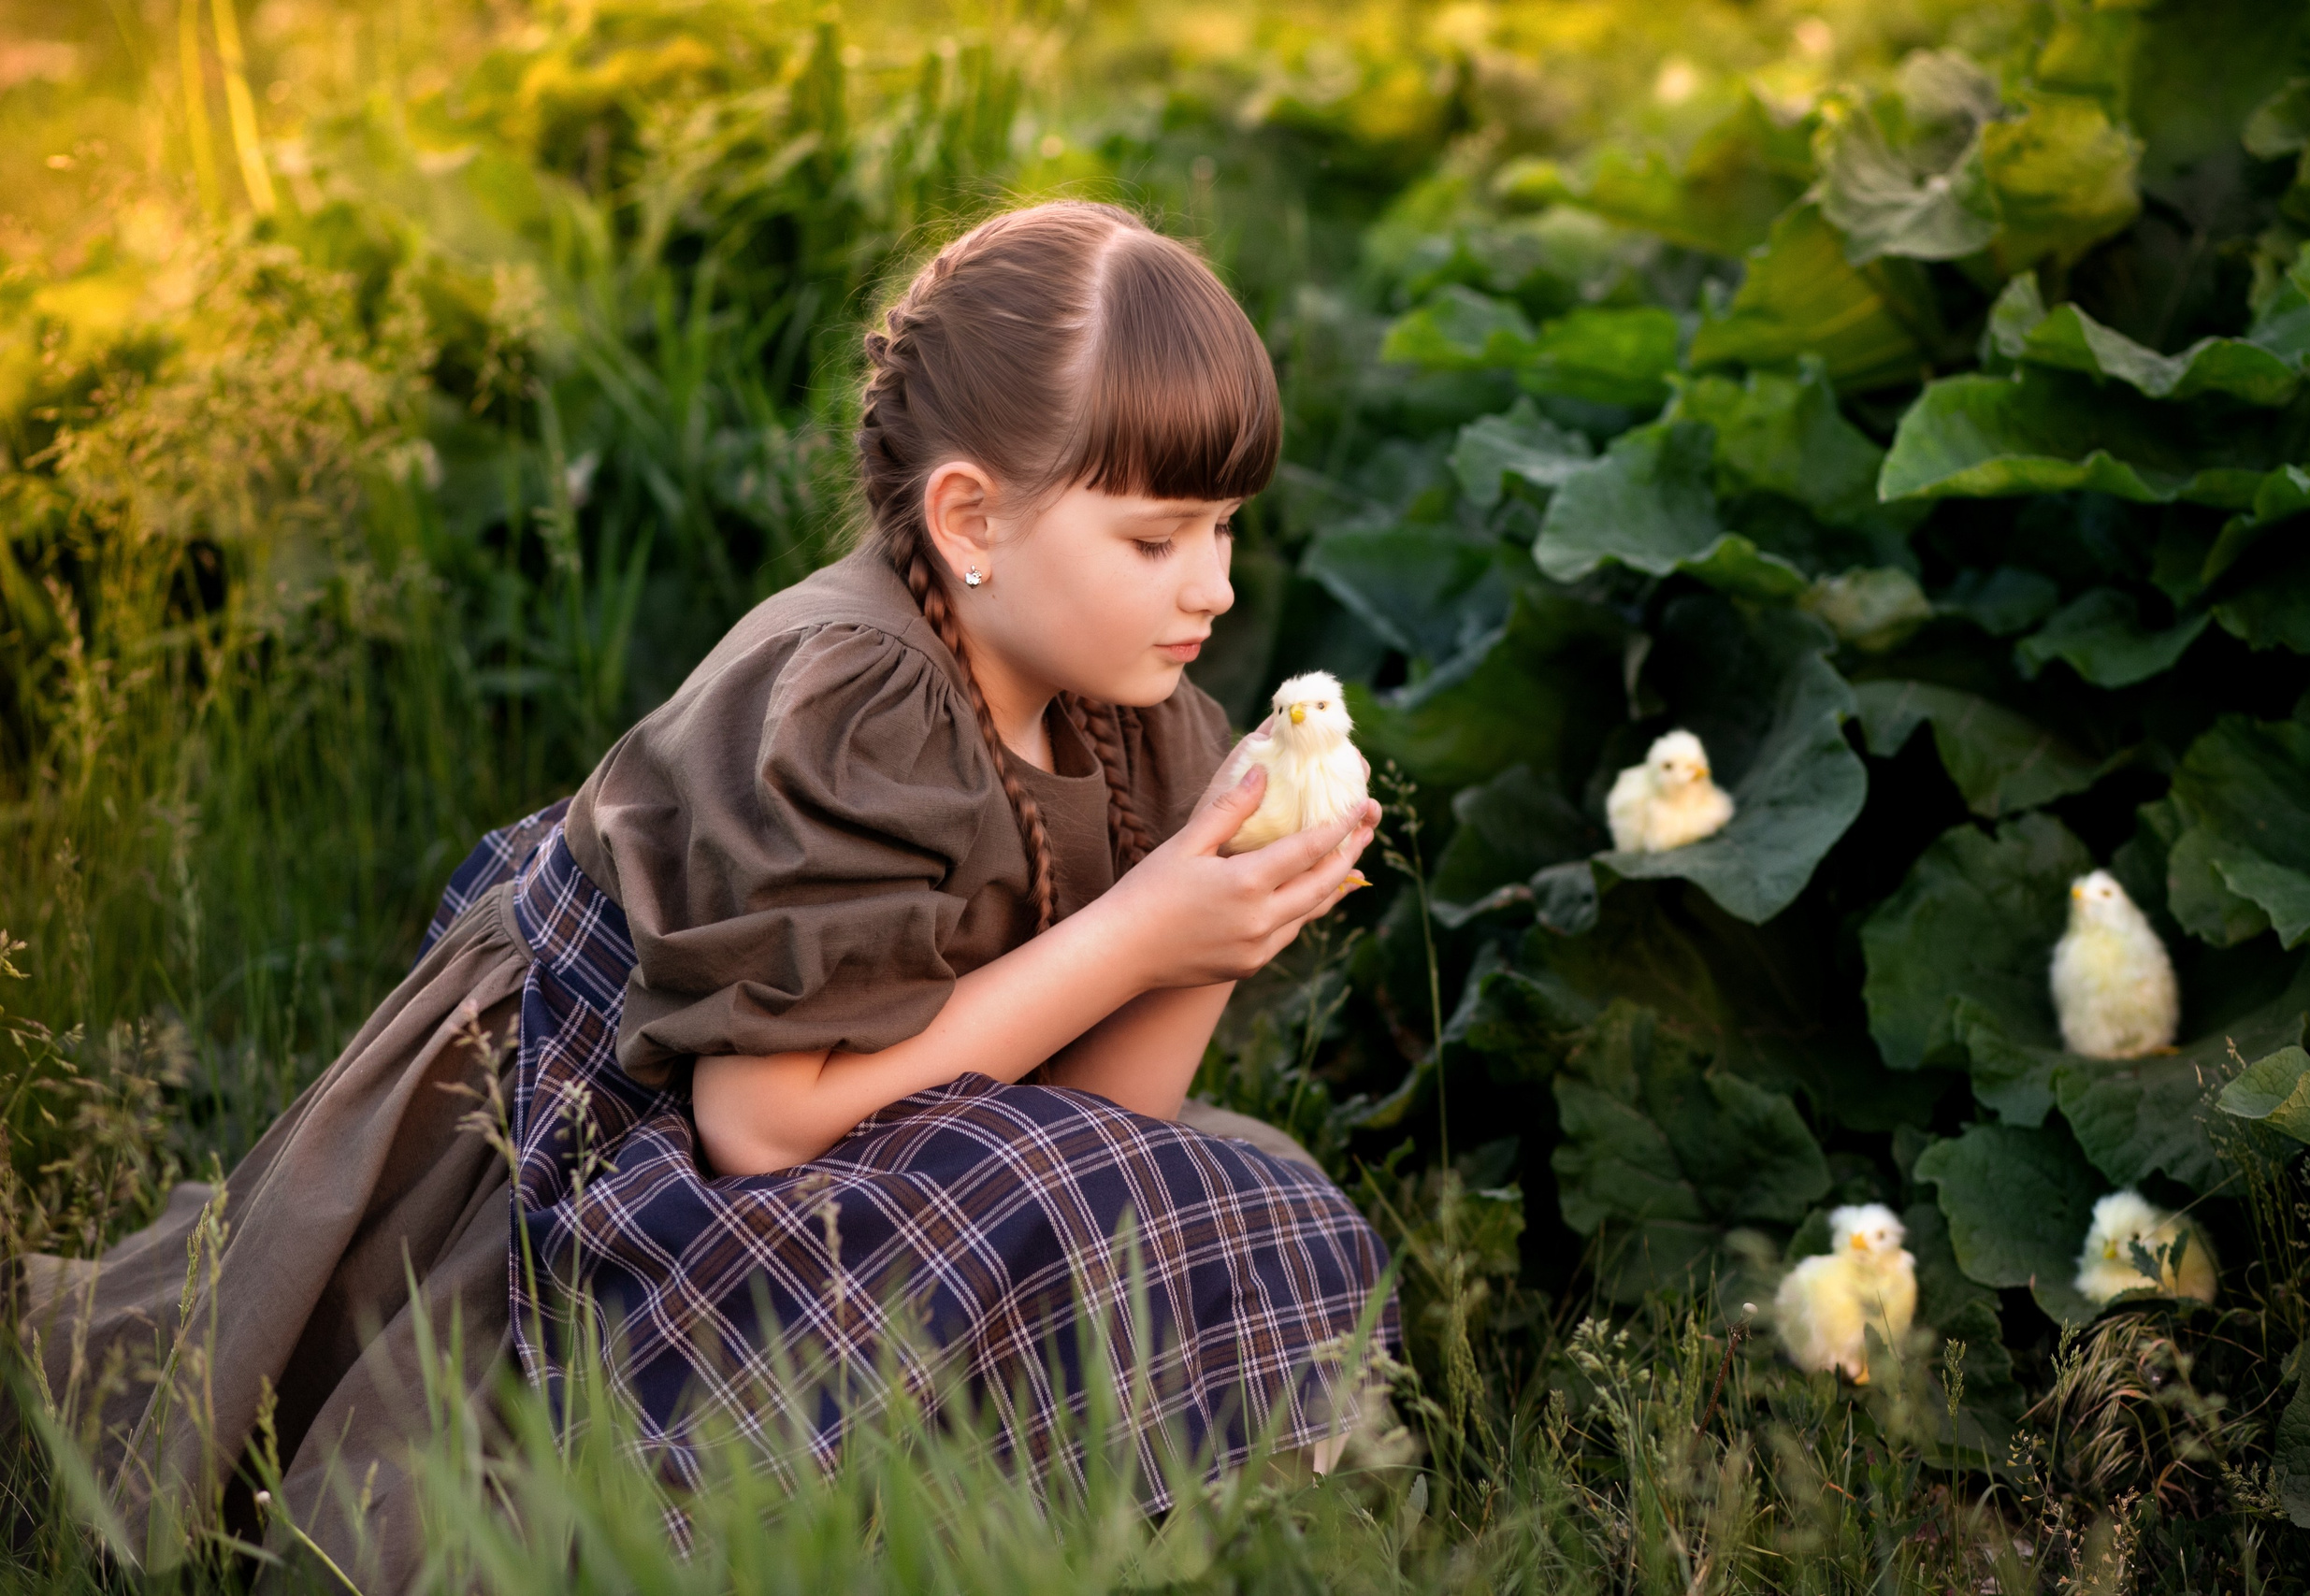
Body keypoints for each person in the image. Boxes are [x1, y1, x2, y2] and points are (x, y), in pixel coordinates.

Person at [9, 200, 1397, 1589]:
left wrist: (1217, 932)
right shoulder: (852, 702)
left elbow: (1102, 1130)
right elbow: (759, 1120)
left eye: (1226, 528)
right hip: (615, 1137)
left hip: (848, 1137)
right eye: (1157, 540)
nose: (1215, 587)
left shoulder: (1134, 718)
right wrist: (1135, 934)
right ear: (971, 517)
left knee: (1225, 1201)